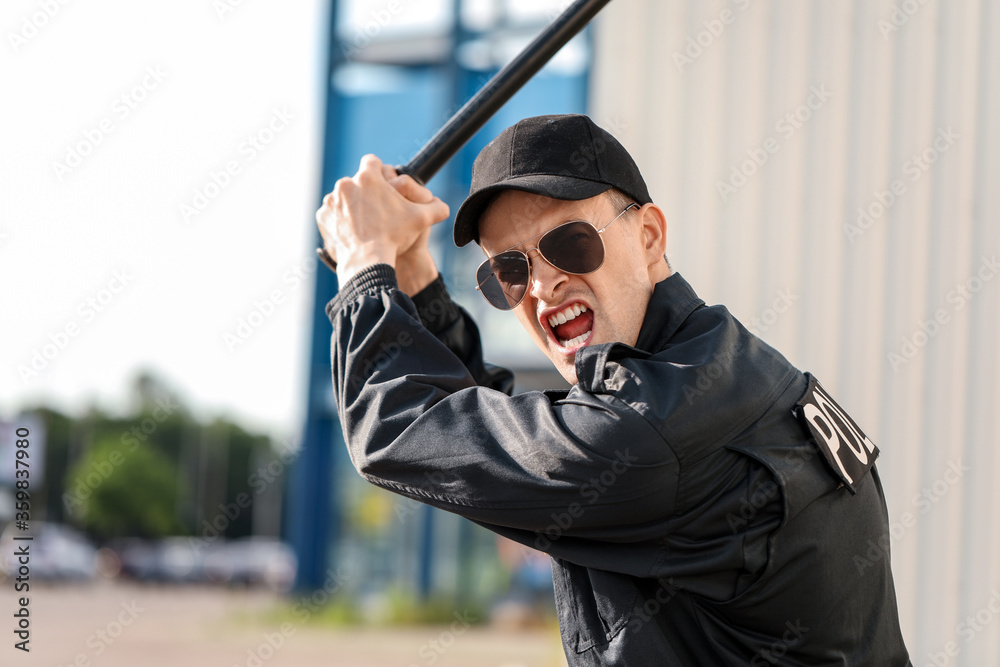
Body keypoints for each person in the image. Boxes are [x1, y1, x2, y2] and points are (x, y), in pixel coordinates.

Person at [315, 114, 911, 666]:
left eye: (569, 242)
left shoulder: (653, 429)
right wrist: (414, 273)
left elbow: (400, 430)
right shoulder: (715, 372)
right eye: (510, 271)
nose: (543, 285)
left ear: (649, 236)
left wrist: (365, 265)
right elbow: (500, 438)